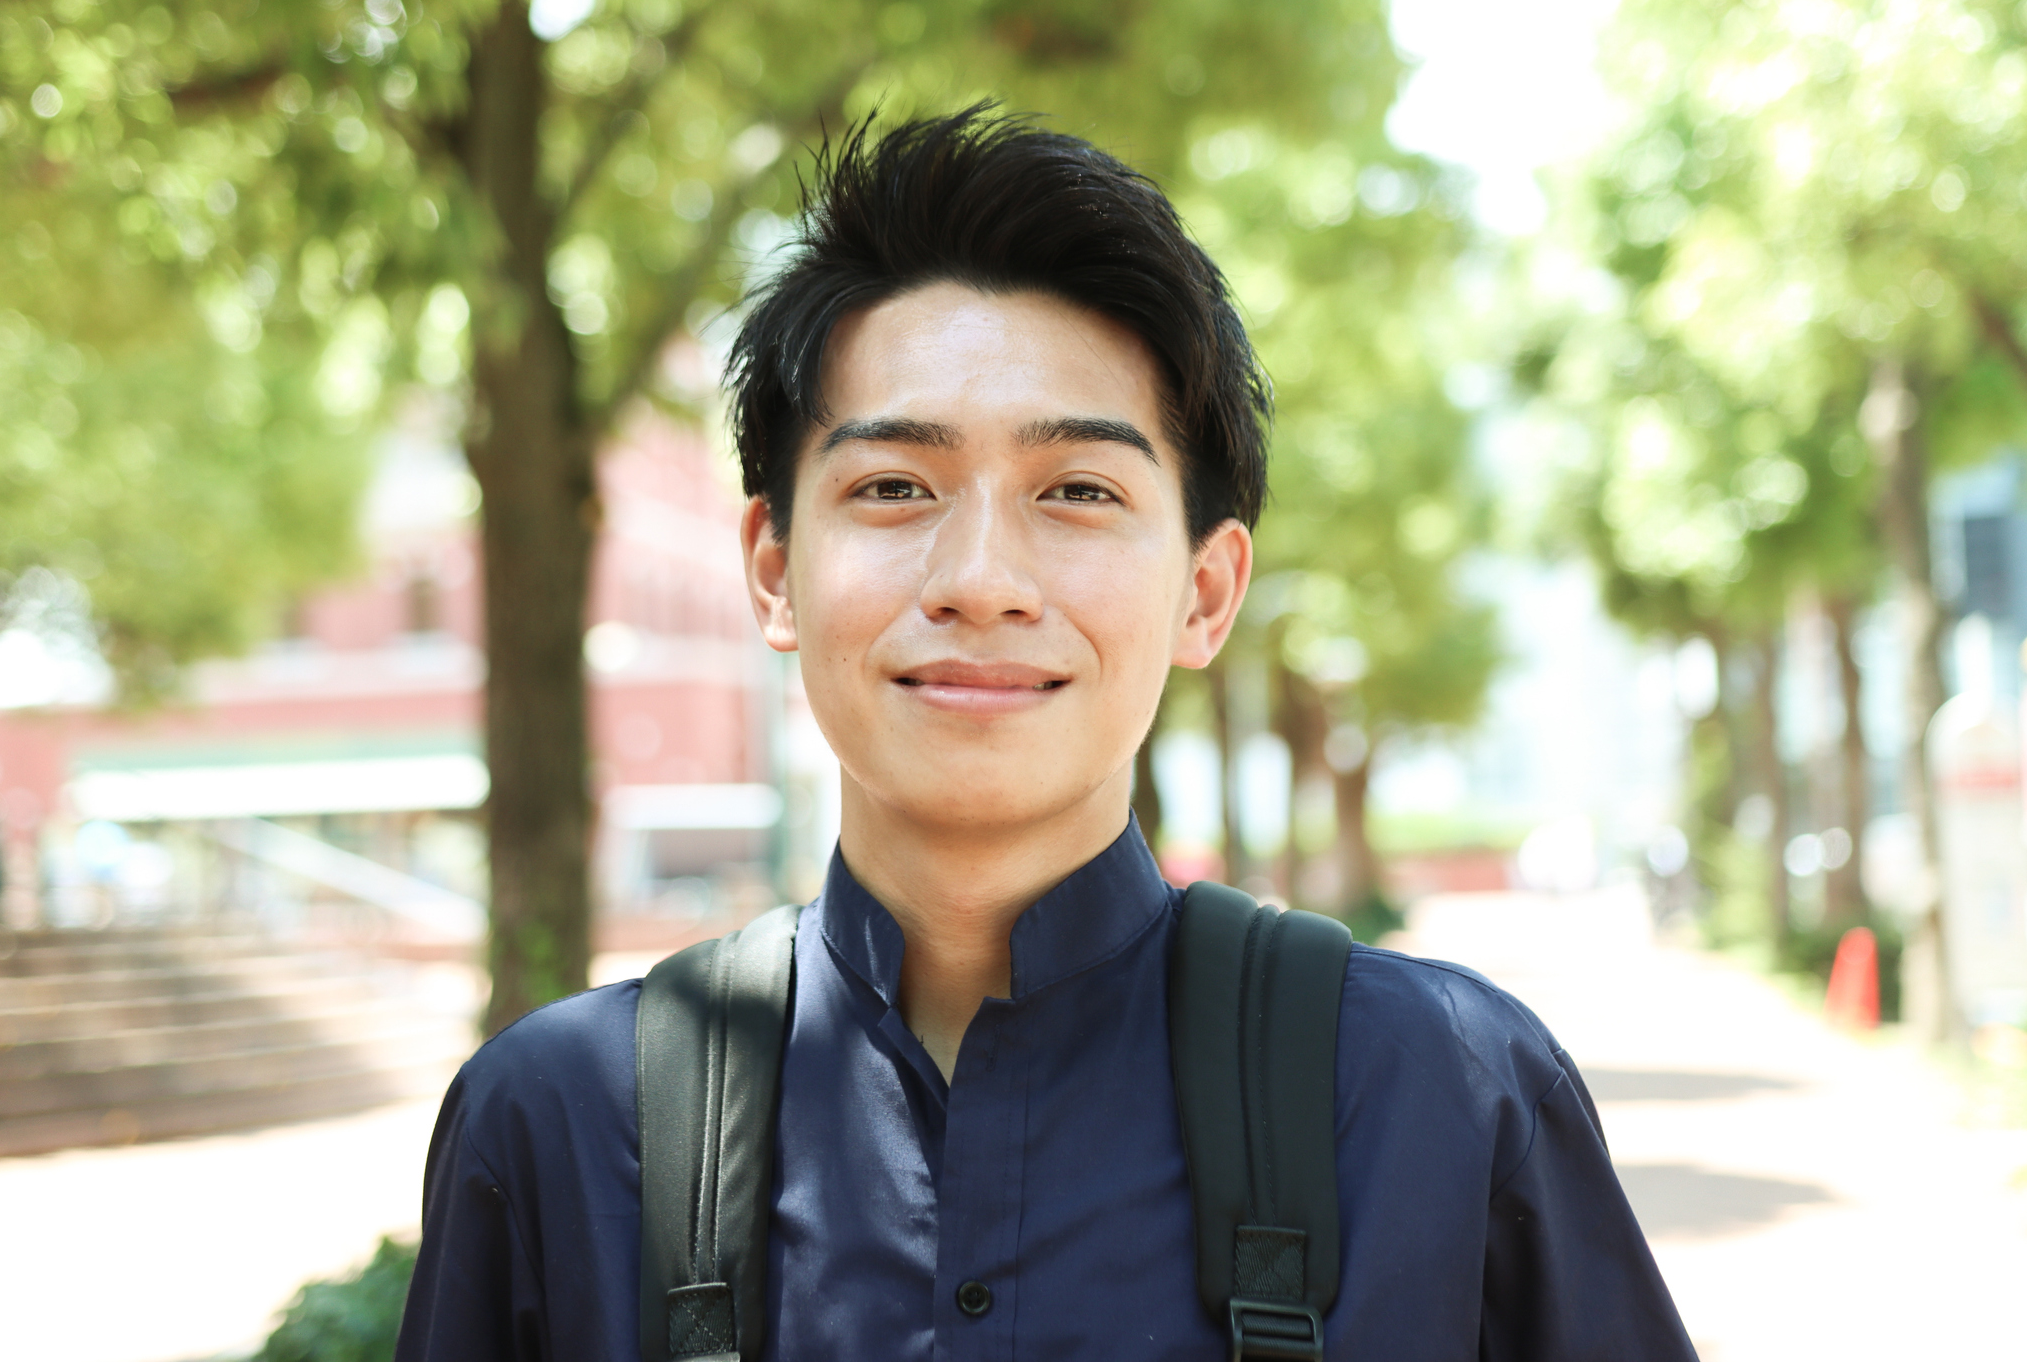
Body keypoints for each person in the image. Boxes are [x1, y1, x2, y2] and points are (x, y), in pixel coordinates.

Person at [396, 107, 1696, 1361]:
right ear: (774, 567)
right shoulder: (558, 1123)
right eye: (893, 485)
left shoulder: (1444, 1095)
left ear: (1204, 589)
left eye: (1076, 490)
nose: (981, 578)